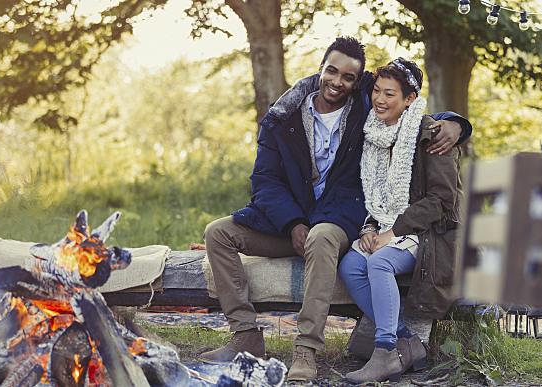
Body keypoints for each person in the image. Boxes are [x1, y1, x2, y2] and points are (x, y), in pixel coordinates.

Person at [199, 37, 472, 381]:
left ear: (359, 82)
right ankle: (245, 335)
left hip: (338, 219)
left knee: (323, 236)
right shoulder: (282, 119)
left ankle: (306, 350)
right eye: (332, 71)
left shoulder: (365, 108)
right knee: (218, 232)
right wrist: (292, 223)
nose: (338, 81)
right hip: (290, 222)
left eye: (348, 77)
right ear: (320, 69)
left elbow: (406, 99)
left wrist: (456, 123)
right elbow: (265, 180)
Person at [337, 58, 468, 383]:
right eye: (377, 91)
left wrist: (391, 233)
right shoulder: (375, 136)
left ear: (409, 99)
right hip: (388, 228)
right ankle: (407, 341)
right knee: (351, 266)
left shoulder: (433, 135)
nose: (380, 100)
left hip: (433, 233)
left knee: (379, 263)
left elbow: (442, 200)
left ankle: (385, 353)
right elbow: (376, 195)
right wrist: (370, 227)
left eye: (390, 94)